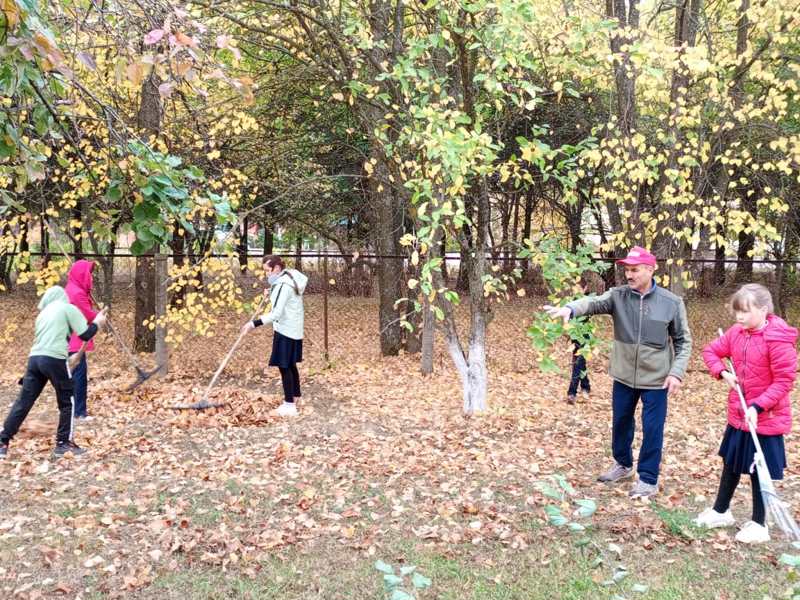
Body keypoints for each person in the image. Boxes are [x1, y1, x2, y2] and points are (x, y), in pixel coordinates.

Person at [545, 246, 692, 498]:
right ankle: (623, 464)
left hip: (657, 379)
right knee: (621, 422)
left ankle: (648, 479)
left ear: (650, 269)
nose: (629, 275)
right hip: (623, 375)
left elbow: (683, 341)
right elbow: (592, 302)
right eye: (627, 270)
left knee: (652, 428)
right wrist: (571, 308)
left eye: (634, 270)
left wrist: (676, 372)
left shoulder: (671, 303)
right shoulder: (618, 296)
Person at [694, 284, 796, 544]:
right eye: (737, 311)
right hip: (739, 415)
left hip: (765, 418)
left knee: (756, 469)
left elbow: (784, 382)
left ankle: (759, 524)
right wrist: (723, 372)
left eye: (745, 312)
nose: (739, 317)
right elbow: (711, 351)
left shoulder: (778, 339)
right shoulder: (737, 333)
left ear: (763, 310)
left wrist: (757, 406)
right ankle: (720, 511)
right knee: (730, 463)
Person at [0, 286, 106, 459]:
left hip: (34, 359)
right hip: (54, 358)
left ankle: (2, 441)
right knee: (67, 401)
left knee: (23, 402)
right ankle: (64, 443)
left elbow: (51, 340)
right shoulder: (68, 308)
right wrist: (97, 322)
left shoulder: (43, 315)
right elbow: (86, 334)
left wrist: (69, 359)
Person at [241, 255, 308, 417]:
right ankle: (295, 397)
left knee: (284, 365)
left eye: (267, 271)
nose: (266, 275)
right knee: (290, 364)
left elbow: (276, 313)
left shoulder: (283, 285)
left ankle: (289, 405)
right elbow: (285, 297)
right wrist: (272, 291)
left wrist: (253, 324)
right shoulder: (289, 278)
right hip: (294, 328)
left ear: (276, 268)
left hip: (285, 329)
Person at [65, 259, 99, 420]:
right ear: (82, 275)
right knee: (79, 377)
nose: (91, 278)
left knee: (73, 376)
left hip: (70, 340)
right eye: (88, 274)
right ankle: (79, 412)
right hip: (75, 341)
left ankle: (74, 410)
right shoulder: (77, 293)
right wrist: (100, 316)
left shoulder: (74, 289)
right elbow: (87, 314)